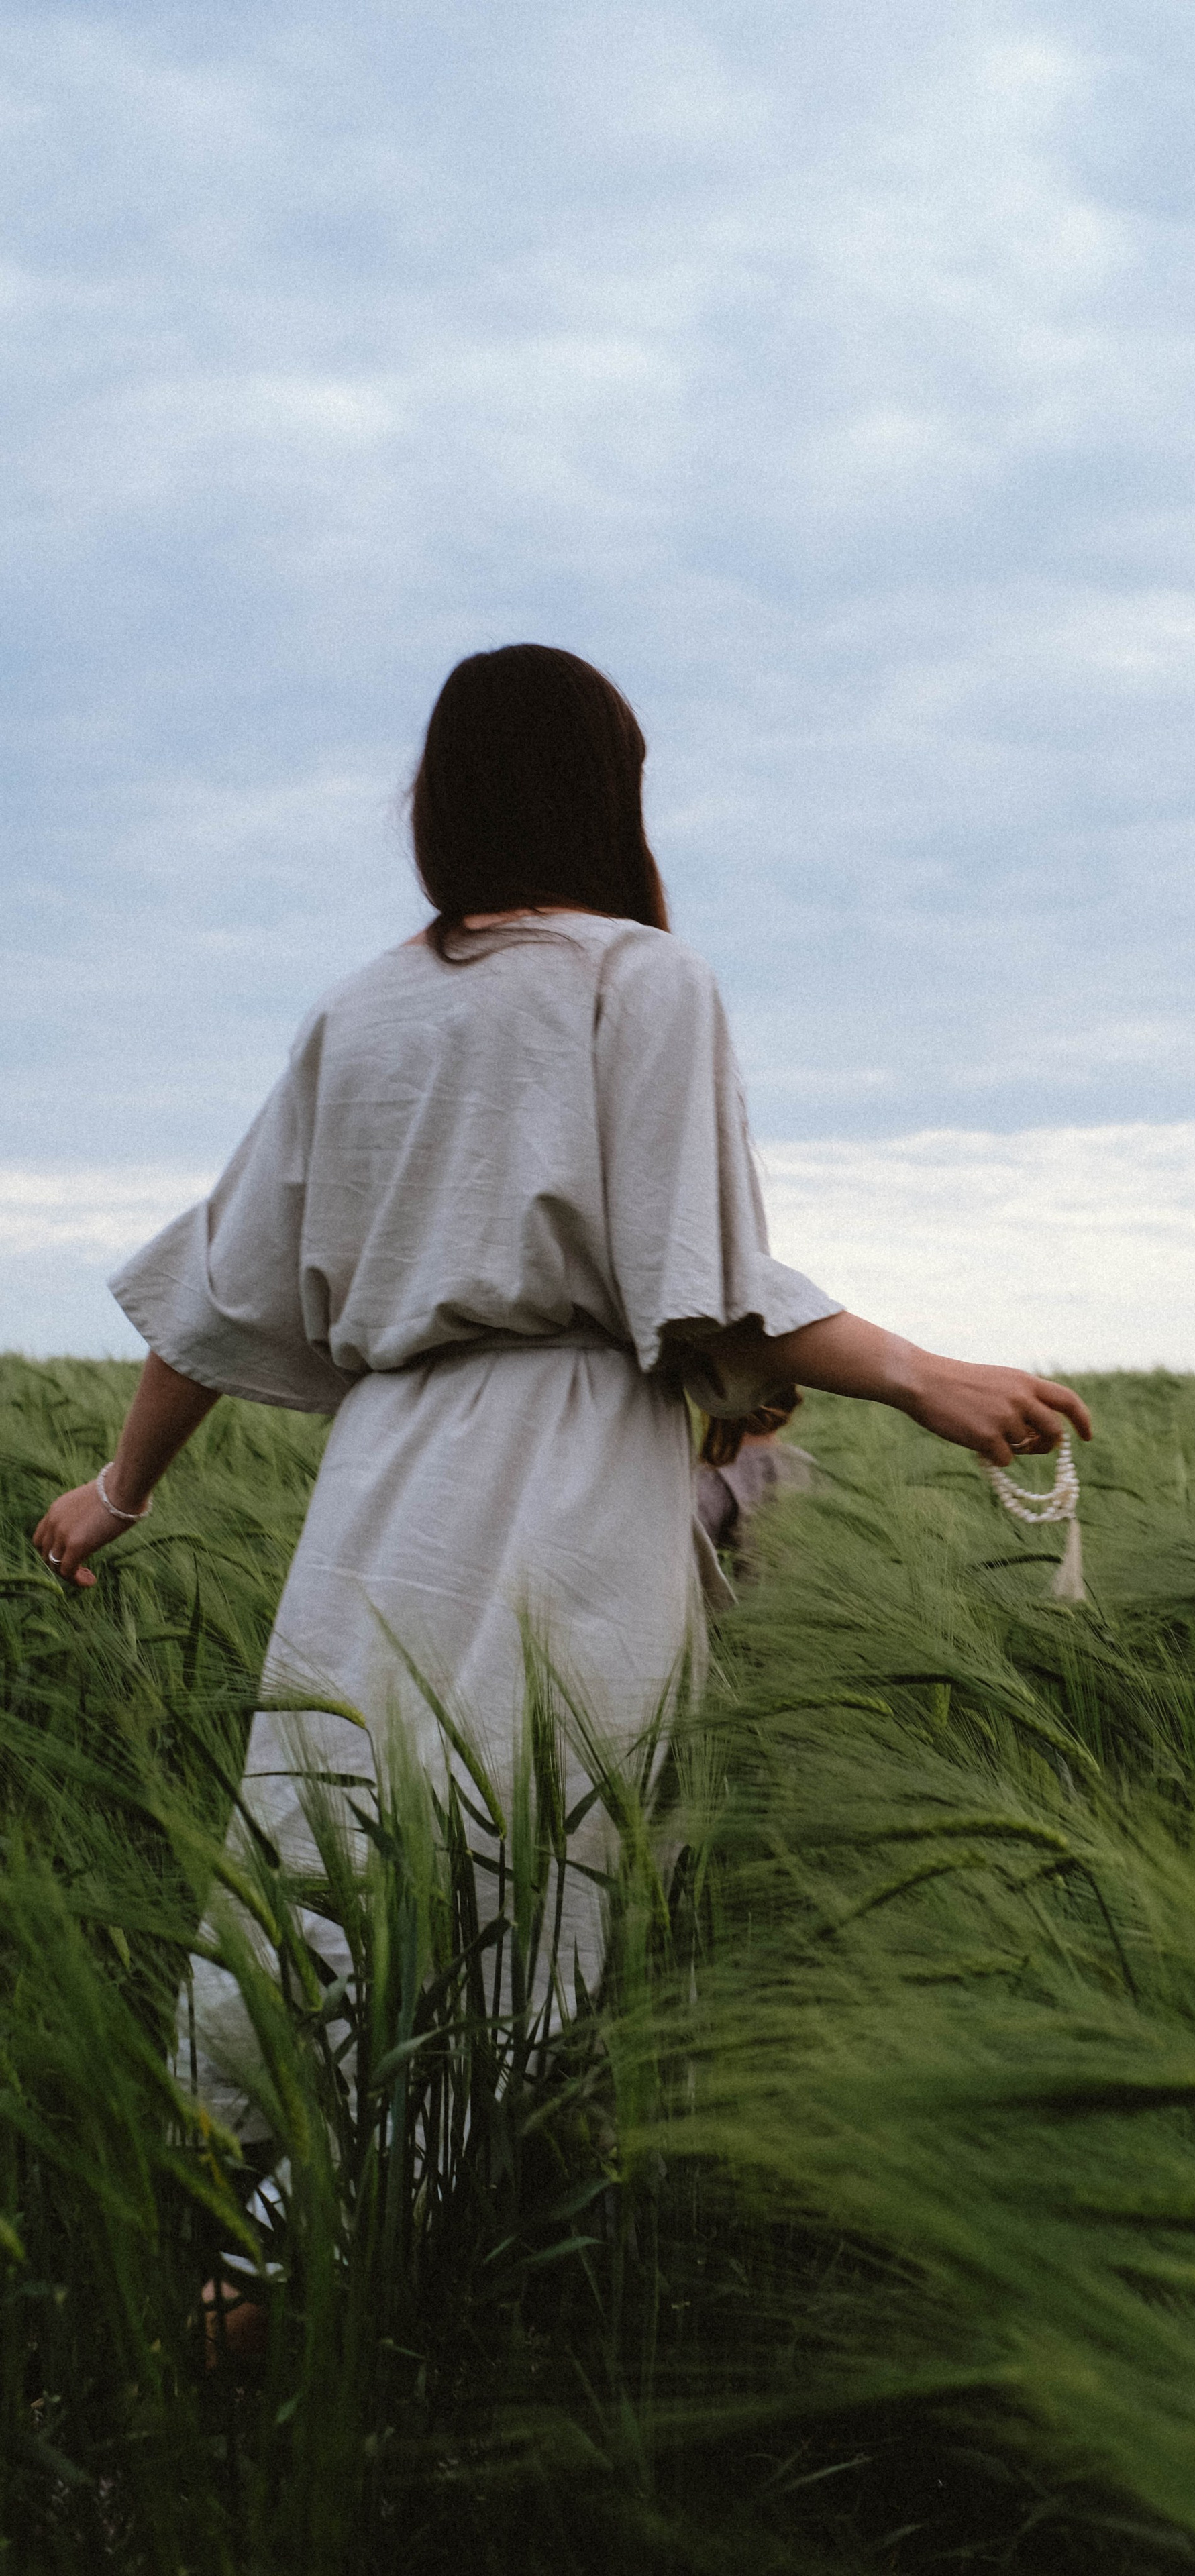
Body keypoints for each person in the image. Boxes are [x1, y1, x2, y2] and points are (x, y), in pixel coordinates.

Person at [30, 643, 1092, 2123]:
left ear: (442, 799)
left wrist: (120, 1489)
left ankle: (261, 2191)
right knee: (539, 1866)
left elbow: (220, 1289)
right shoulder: (644, 979)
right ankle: (438, 2208)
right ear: (608, 794)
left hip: (381, 1487)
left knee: (333, 1834)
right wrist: (921, 1377)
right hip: (572, 1473)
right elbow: (702, 1284)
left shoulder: (360, 1008)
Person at [696, 1390, 817, 1575]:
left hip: (739, 1593)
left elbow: (689, 1559)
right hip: (805, 1587)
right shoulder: (807, 1464)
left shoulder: (714, 1478)